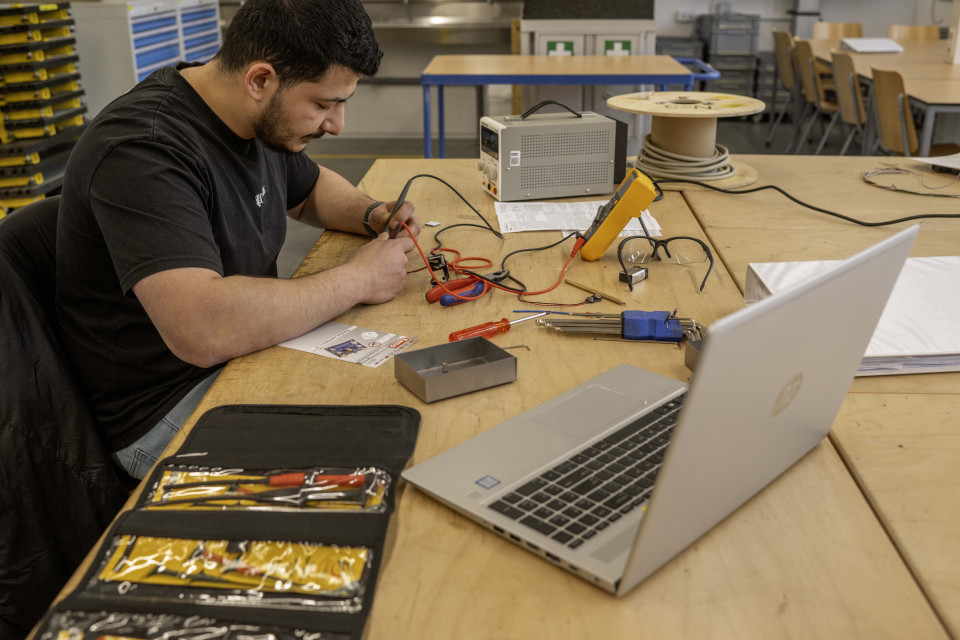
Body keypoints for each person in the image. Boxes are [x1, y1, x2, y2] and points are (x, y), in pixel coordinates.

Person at [55, 0, 420, 479]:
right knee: (375, 463)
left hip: (245, 354)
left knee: (404, 405)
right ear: (260, 80)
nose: (336, 125)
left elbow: (308, 189)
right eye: (323, 104)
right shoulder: (143, 149)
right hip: (168, 408)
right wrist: (357, 279)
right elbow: (202, 330)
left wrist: (372, 213)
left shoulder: (254, 120)